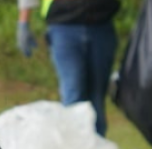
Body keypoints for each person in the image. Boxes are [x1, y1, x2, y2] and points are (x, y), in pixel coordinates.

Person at [16, 0, 119, 136]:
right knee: (74, 92)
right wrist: (23, 22)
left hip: (101, 25)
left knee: (97, 97)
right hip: (63, 27)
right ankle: (74, 148)